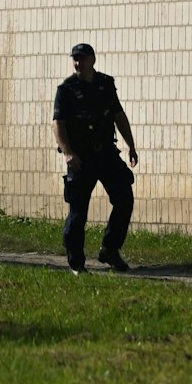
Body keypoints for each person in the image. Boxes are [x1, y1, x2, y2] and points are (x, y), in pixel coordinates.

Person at [54, 43, 139, 274]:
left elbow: (118, 115)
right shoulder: (66, 90)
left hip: (106, 153)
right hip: (81, 158)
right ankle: (77, 263)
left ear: (93, 59)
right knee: (78, 211)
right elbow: (58, 125)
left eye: (82, 58)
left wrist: (131, 144)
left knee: (124, 197)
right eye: (75, 59)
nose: (77, 63)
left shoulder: (105, 84)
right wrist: (68, 153)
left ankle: (110, 249)